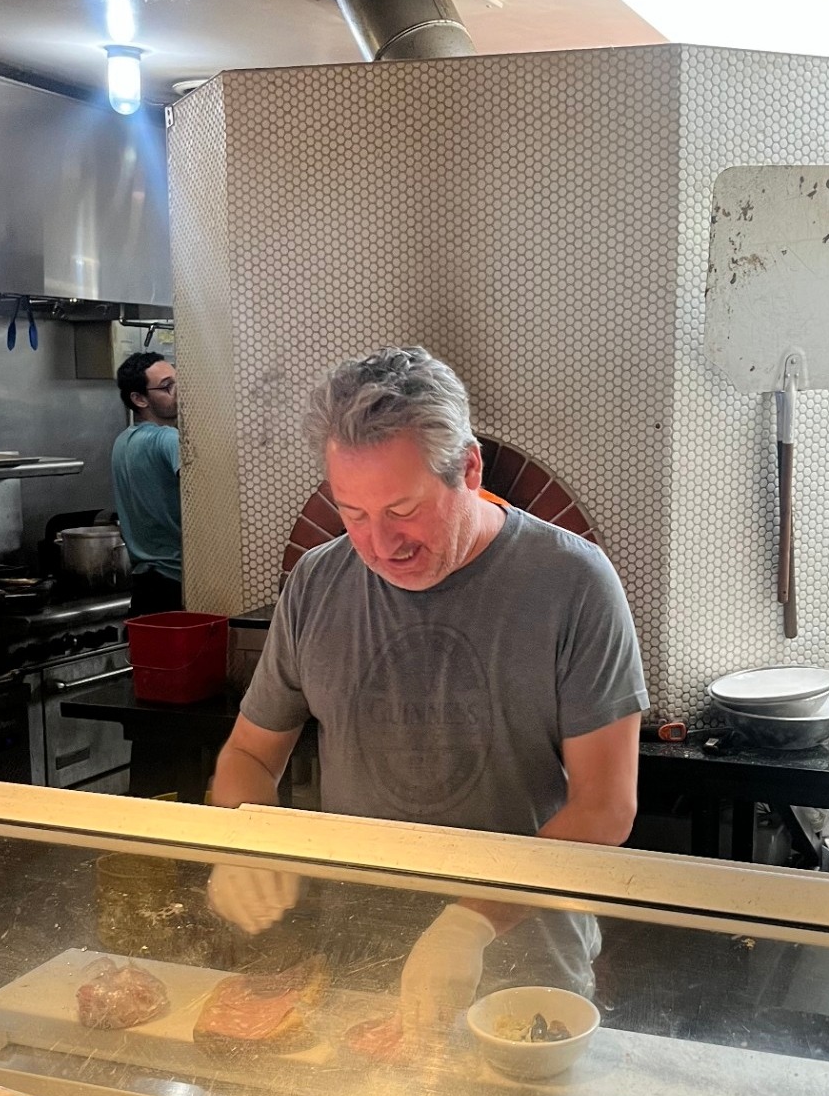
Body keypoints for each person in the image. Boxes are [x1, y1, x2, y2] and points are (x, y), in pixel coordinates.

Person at [205, 346, 647, 1044]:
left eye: (404, 509)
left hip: (521, 979)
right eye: (353, 513)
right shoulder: (317, 583)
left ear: (469, 470)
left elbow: (606, 806)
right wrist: (244, 839)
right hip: (357, 971)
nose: (381, 544)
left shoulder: (572, 583)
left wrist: (471, 921)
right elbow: (250, 756)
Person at [111, 349, 182, 615]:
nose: (178, 393)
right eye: (167, 387)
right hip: (175, 583)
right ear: (139, 399)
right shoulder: (167, 439)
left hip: (145, 583)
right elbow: (207, 492)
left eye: (178, 382)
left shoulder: (122, 442)